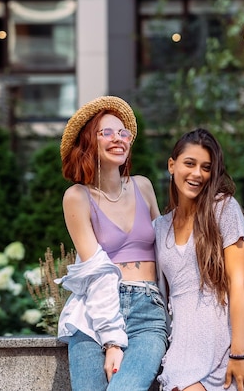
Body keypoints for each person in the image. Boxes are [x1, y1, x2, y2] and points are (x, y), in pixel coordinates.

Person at [56, 95, 168, 391]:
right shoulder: (77, 197)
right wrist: (112, 339)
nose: (118, 139)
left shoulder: (142, 186)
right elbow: (96, 270)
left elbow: (167, 248)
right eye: (107, 132)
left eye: (123, 133)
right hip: (94, 313)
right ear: (89, 141)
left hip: (148, 311)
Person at [154, 128, 244, 391]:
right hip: (184, 345)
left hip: (228, 342)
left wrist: (240, 353)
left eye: (206, 167)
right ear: (171, 165)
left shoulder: (223, 208)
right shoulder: (159, 227)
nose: (197, 173)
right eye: (190, 163)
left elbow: (238, 283)